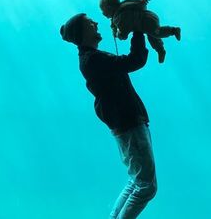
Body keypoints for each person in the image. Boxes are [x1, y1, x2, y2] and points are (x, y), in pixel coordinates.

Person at [60, 13, 158, 219]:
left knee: (136, 180)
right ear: (82, 33)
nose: (95, 23)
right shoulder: (93, 60)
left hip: (126, 124)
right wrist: (137, 27)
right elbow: (135, 60)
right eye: (89, 23)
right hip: (129, 123)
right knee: (146, 186)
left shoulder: (92, 58)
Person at [99, 0, 181, 64]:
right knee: (152, 37)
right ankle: (160, 50)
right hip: (148, 17)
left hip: (146, 21)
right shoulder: (124, 6)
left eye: (103, 10)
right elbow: (139, 4)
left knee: (157, 33)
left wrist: (117, 34)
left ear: (109, 8)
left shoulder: (120, 17)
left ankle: (173, 30)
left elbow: (123, 34)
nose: (102, 13)